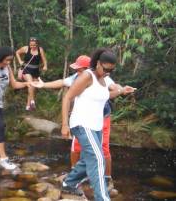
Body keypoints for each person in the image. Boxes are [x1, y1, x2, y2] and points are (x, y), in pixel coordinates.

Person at [61, 48, 118, 201]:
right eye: (105, 69)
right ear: (98, 63)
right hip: (81, 124)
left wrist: (122, 91)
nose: (107, 72)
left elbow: (105, 95)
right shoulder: (87, 76)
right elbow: (68, 97)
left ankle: (69, 183)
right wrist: (64, 125)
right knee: (98, 158)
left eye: (110, 70)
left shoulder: (104, 79)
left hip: (96, 126)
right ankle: (102, 198)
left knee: (88, 159)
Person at [16, 37, 48, 110]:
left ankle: (28, 106)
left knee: (33, 88)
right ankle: (32, 101)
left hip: (35, 70)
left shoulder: (40, 50)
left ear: (37, 44)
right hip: (26, 69)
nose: (32, 47)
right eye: (31, 45)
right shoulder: (26, 48)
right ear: (29, 44)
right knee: (30, 84)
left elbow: (44, 60)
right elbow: (17, 52)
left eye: (34, 45)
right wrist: (20, 61)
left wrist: (45, 66)